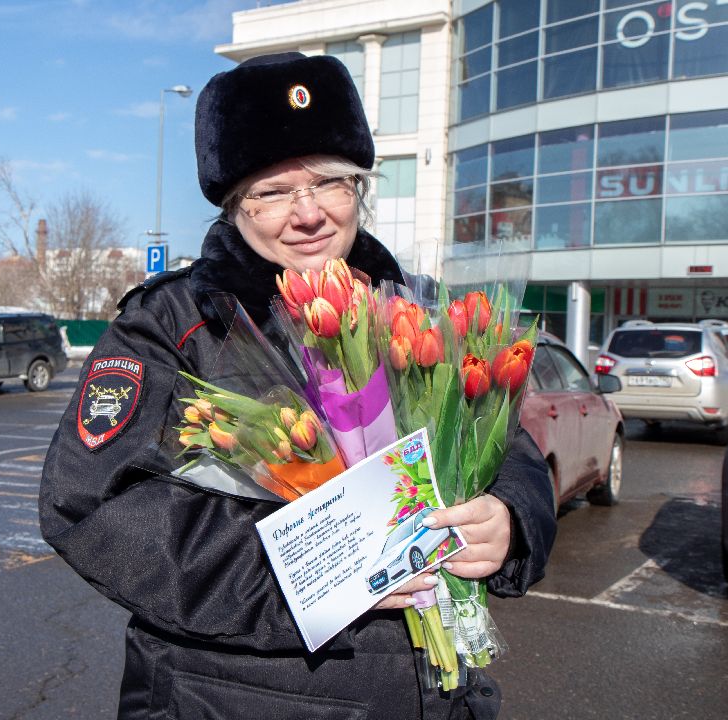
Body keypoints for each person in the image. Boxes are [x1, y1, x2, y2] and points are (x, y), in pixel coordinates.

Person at [40, 52, 556, 719]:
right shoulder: (173, 325)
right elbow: (92, 505)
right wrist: (309, 572)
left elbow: (510, 451)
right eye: (273, 191)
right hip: (235, 699)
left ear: (360, 189)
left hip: (438, 692)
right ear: (235, 208)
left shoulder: (419, 313)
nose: (307, 213)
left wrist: (512, 521)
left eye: (330, 182)